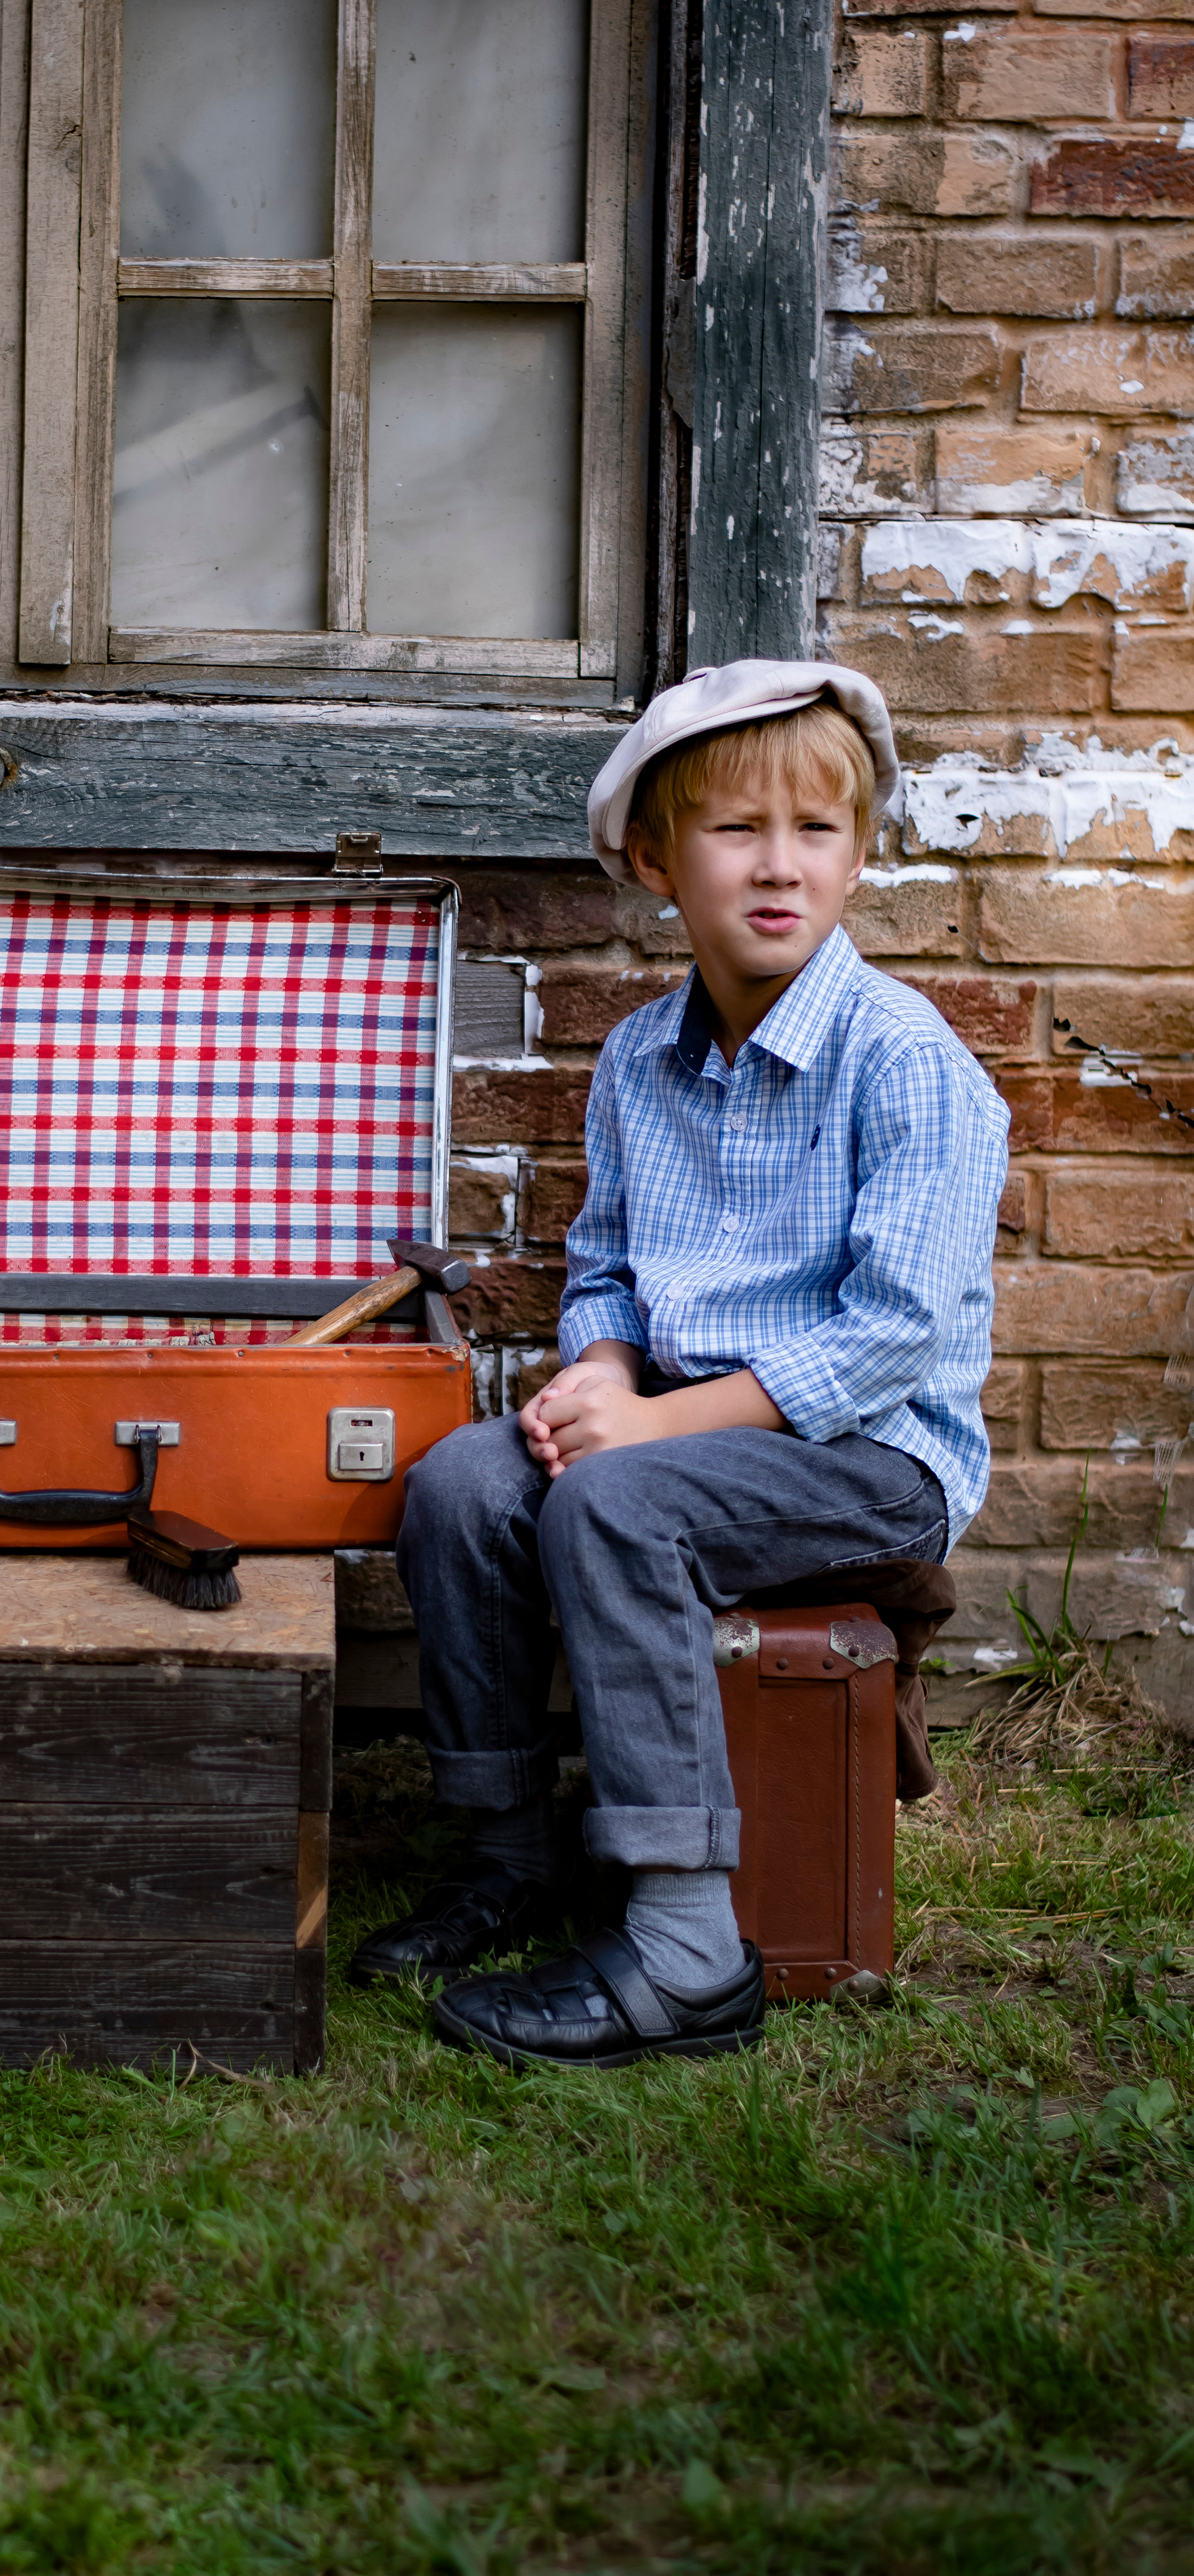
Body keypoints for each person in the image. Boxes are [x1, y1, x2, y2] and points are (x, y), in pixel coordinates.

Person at [349, 660, 1011, 2071]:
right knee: (464, 1484)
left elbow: (887, 1332)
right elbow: (603, 1266)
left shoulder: (904, 1063)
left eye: (815, 832)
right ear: (652, 859)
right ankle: (506, 1856)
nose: (778, 868)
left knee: (612, 1503)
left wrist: (642, 1436)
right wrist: (595, 1376)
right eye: (732, 831)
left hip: (869, 1455)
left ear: (858, 850)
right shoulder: (640, 1059)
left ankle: (682, 1946)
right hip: (685, 1430)